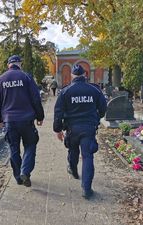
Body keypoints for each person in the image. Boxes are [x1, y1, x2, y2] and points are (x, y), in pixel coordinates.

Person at [53, 64, 107, 199]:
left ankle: (74, 171)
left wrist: (58, 129)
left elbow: (58, 112)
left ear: (72, 76)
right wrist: (96, 118)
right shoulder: (94, 90)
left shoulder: (65, 91)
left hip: (72, 128)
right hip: (88, 128)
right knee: (88, 156)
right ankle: (86, 189)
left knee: (73, 151)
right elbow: (103, 108)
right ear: (84, 75)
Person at [0, 55, 44, 187]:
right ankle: (25, 171)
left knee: (14, 149)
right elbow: (35, 98)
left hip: (10, 121)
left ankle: (18, 177)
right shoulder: (26, 77)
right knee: (30, 145)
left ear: (8, 65)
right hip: (26, 120)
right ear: (19, 64)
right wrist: (40, 116)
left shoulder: (0, 80)